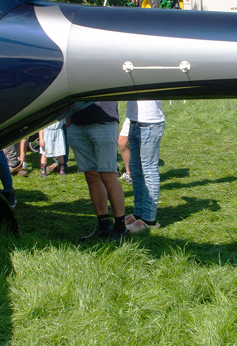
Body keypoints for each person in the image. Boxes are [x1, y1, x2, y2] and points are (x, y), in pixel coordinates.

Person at [65, 100, 127, 241]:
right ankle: (104, 226)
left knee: (107, 174)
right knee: (91, 175)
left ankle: (121, 228)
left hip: (104, 121)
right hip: (77, 123)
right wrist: (69, 122)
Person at [124, 99, 164, 232]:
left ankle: (149, 219)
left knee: (149, 171)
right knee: (135, 170)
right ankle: (138, 213)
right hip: (133, 121)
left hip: (150, 122)